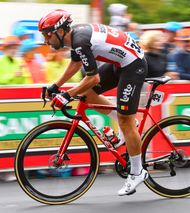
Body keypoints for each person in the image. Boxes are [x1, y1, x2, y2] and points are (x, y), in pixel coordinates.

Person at [38, 9, 148, 196]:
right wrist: (55, 85)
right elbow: (75, 64)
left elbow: (93, 78)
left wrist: (67, 95)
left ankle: (138, 172)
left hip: (133, 66)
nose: (46, 40)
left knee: (124, 119)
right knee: (87, 94)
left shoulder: (79, 40)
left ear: (60, 31)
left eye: (48, 34)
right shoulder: (75, 38)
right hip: (119, 63)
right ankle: (128, 124)